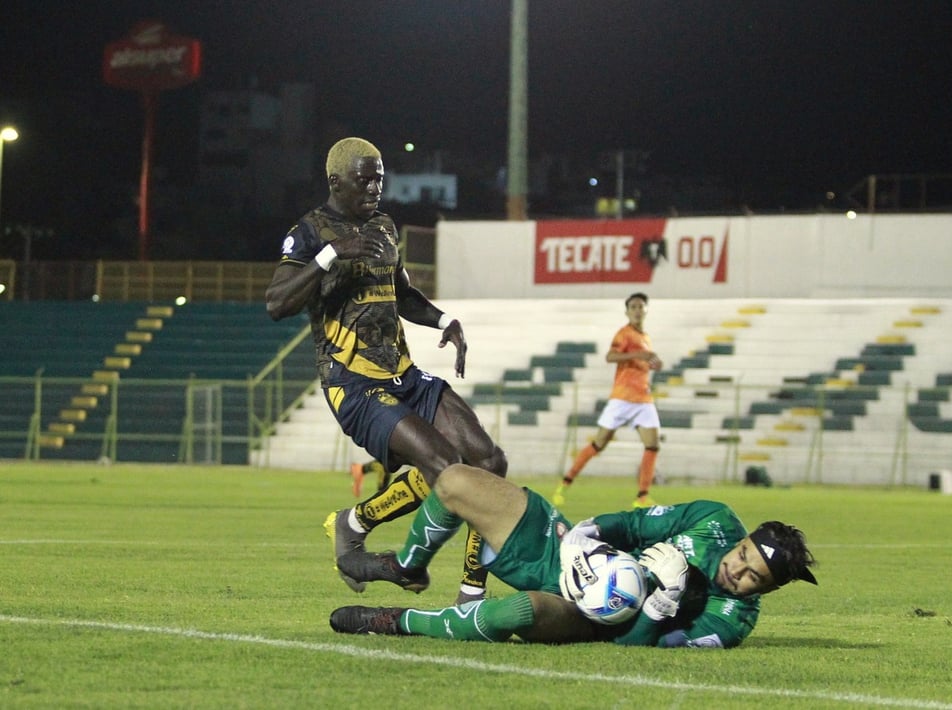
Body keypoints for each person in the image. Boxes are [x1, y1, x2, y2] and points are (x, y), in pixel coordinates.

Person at [265, 137, 507, 603]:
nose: (376, 185)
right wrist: (333, 253)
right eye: (365, 177)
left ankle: (462, 586)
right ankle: (418, 570)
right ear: (336, 181)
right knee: (447, 469)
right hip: (353, 385)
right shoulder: (311, 231)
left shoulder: (383, 225)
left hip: (404, 373)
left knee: (490, 461)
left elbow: (402, 292)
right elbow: (276, 302)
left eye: (380, 176)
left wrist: (444, 320)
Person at [329, 463, 817, 648]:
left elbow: (642, 649)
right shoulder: (714, 519)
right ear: (744, 538)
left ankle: (397, 621)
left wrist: (661, 602)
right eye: (744, 553)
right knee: (456, 481)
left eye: (754, 577)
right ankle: (408, 568)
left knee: (517, 612)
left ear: (768, 590)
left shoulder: (731, 620)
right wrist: (589, 532)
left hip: (592, 620)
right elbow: (634, 524)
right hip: (578, 558)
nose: (738, 570)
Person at [554, 292, 664, 508]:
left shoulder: (645, 337)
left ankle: (642, 497)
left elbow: (642, 362)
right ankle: (565, 483)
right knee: (599, 443)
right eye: (633, 306)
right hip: (622, 398)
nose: (637, 310)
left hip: (643, 398)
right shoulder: (624, 334)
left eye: (641, 306)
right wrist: (638, 356)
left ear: (646, 310)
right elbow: (610, 357)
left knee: (652, 445)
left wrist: (652, 363)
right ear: (627, 311)